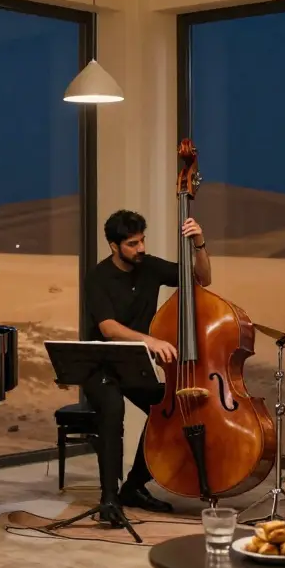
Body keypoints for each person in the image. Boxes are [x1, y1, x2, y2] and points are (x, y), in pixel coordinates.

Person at [82, 209, 212, 523]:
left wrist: (199, 244)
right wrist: (149, 341)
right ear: (114, 246)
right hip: (100, 365)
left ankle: (134, 486)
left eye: (142, 240)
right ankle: (109, 500)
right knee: (112, 412)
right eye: (132, 243)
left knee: (169, 409)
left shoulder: (149, 266)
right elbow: (108, 328)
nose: (140, 248)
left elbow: (202, 279)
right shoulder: (98, 277)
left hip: (133, 366)